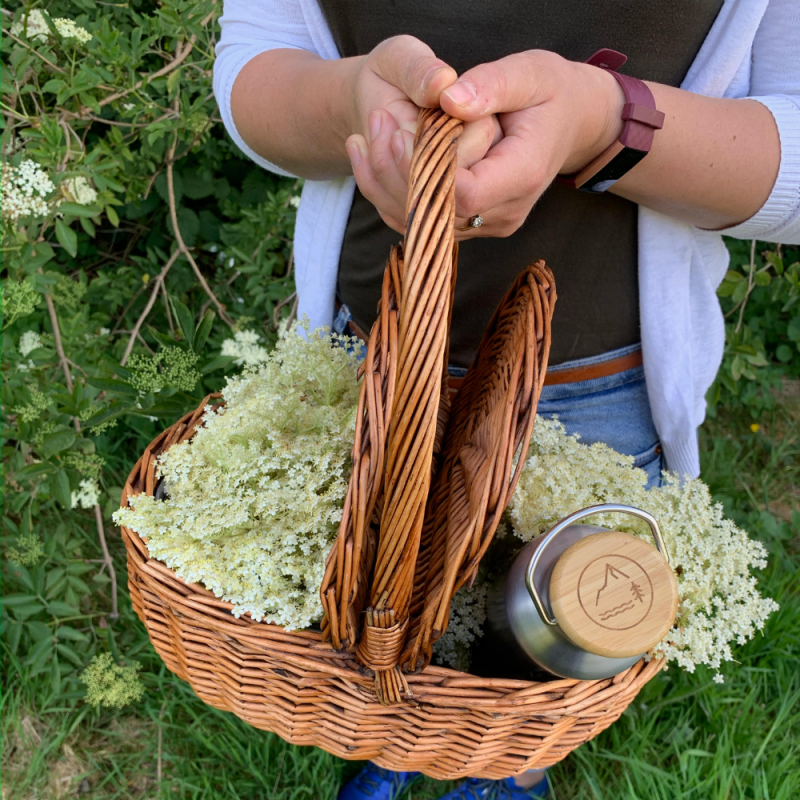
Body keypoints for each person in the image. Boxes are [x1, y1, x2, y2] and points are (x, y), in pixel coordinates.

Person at [213, 1, 800, 797]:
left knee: (542, 650)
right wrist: (354, 100)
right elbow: (258, 62)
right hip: (371, 359)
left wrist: (605, 124)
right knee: (378, 611)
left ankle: (506, 773)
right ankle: (392, 747)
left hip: (601, 385)